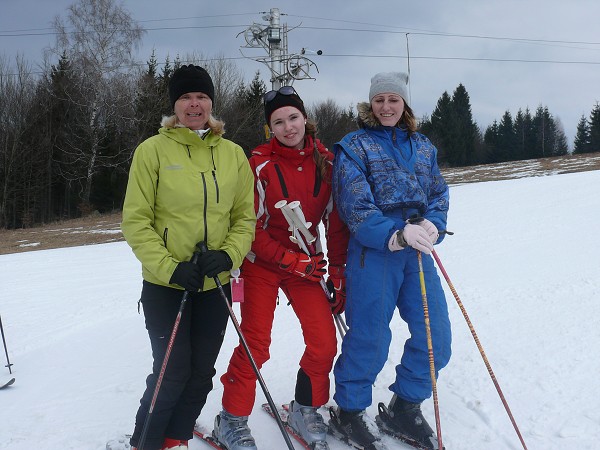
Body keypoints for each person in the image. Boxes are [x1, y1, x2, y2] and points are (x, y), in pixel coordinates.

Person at [121, 64, 256, 450]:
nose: (194, 104)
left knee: (201, 372)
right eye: (185, 97)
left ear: (211, 103)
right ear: (174, 106)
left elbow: (244, 218)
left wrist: (228, 256)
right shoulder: (152, 150)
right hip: (167, 283)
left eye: (200, 97)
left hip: (215, 281)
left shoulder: (233, 154)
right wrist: (171, 267)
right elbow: (135, 221)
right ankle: (145, 442)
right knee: (171, 370)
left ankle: (174, 438)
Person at [212, 86, 349, 450]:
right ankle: (231, 419)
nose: (288, 127)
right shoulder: (257, 164)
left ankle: (305, 409)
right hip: (262, 263)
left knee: (323, 342)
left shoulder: (328, 162)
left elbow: (335, 224)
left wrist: (336, 272)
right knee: (256, 342)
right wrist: (292, 261)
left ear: (305, 118)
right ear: (269, 128)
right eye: (278, 122)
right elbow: (249, 230)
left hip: (308, 264)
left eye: (293, 118)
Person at [328, 72, 451, 450]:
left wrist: (434, 223)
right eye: (379, 100)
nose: (386, 107)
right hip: (375, 251)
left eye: (393, 100)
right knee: (371, 338)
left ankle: (405, 405)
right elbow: (354, 205)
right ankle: (349, 411)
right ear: (369, 104)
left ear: (404, 104)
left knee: (437, 338)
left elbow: (438, 192)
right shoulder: (355, 146)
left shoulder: (424, 146)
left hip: (417, 249)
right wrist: (392, 234)